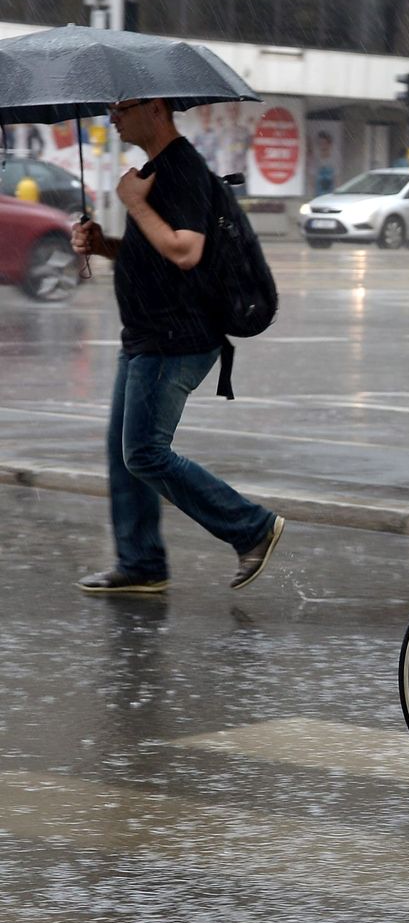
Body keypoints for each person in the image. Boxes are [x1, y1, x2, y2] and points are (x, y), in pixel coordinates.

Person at [69, 97, 284, 595]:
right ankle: (141, 563)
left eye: (123, 107)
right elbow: (155, 249)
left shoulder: (180, 169)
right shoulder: (157, 171)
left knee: (143, 452)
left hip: (175, 339)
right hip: (147, 336)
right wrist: (104, 245)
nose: (113, 117)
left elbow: (186, 251)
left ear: (157, 109)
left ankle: (251, 527)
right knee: (124, 453)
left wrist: (135, 203)